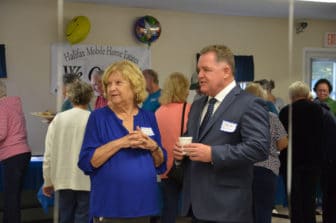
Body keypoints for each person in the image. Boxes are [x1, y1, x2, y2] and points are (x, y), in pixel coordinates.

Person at [173, 45, 270, 223]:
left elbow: (259, 148)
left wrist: (213, 154)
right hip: (196, 205)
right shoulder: (197, 105)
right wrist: (181, 154)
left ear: (226, 71)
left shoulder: (249, 104)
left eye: (206, 70)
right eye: (198, 70)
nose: (199, 75)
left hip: (228, 208)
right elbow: (192, 140)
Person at [78, 60, 167, 223]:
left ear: (134, 86)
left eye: (118, 83)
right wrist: (121, 142)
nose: (112, 88)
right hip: (110, 207)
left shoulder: (148, 117)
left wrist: (154, 147)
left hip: (144, 206)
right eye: (109, 84)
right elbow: (87, 161)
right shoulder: (98, 118)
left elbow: (160, 164)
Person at [42, 80, 93, 223]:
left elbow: (49, 153)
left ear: (69, 96)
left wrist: (47, 180)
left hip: (62, 178)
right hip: (86, 179)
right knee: (83, 216)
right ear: (89, 97)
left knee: (65, 217)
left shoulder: (58, 119)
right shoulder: (93, 119)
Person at [279, 81, 324, 223]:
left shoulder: (286, 111)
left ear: (291, 95)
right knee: (309, 199)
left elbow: (281, 138)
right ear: (306, 93)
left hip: (292, 162)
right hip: (312, 161)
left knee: (295, 200)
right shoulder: (317, 110)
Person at [245, 83, 288, 223]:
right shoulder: (271, 117)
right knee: (264, 210)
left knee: (245, 211)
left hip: (244, 168)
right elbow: (283, 143)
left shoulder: (240, 116)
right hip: (267, 168)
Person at [155, 72, 191, 223]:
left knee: (168, 208)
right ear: (184, 89)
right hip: (187, 165)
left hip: (166, 168)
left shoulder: (158, 112)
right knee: (195, 207)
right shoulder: (190, 109)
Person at [0, 80, 32, 223]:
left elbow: (1, 133)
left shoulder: (1, 106)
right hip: (23, 153)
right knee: (15, 196)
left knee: (10, 198)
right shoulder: (14, 105)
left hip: (12, 156)